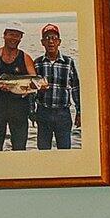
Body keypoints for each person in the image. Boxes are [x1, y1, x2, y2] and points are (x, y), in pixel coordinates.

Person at [0, 26, 39, 151]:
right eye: (11, 34)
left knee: (19, 146)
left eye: (17, 35)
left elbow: (33, 79)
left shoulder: (26, 57)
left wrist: (35, 86)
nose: (14, 38)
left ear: (21, 38)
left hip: (19, 107)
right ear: (4, 35)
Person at [30, 22, 81, 152]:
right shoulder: (37, 63)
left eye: (54, 38)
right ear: (42, 42)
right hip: (43, 113)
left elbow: (75, 88)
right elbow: (31, 90)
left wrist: (79, 111)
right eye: (47, 38)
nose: (50, 42)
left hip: (63, 114)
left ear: (59, 41)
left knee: (65, 152)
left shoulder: (69, 62)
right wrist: (32, 111)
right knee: (43, 151)